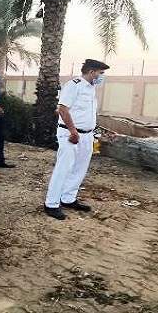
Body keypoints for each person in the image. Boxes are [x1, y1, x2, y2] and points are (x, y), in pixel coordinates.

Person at [44, 59, 109, 220]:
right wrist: (73, 131)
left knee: (80, 168)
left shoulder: (91, 88)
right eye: (101, 73)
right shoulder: (74, 85)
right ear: (92, 72)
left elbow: (86, 114)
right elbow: (62, 109)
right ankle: (51, 204)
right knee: (63, 168)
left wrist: (97, 131)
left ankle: (68, 198)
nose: (102, 76)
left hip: (87, 135)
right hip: (70, 134)